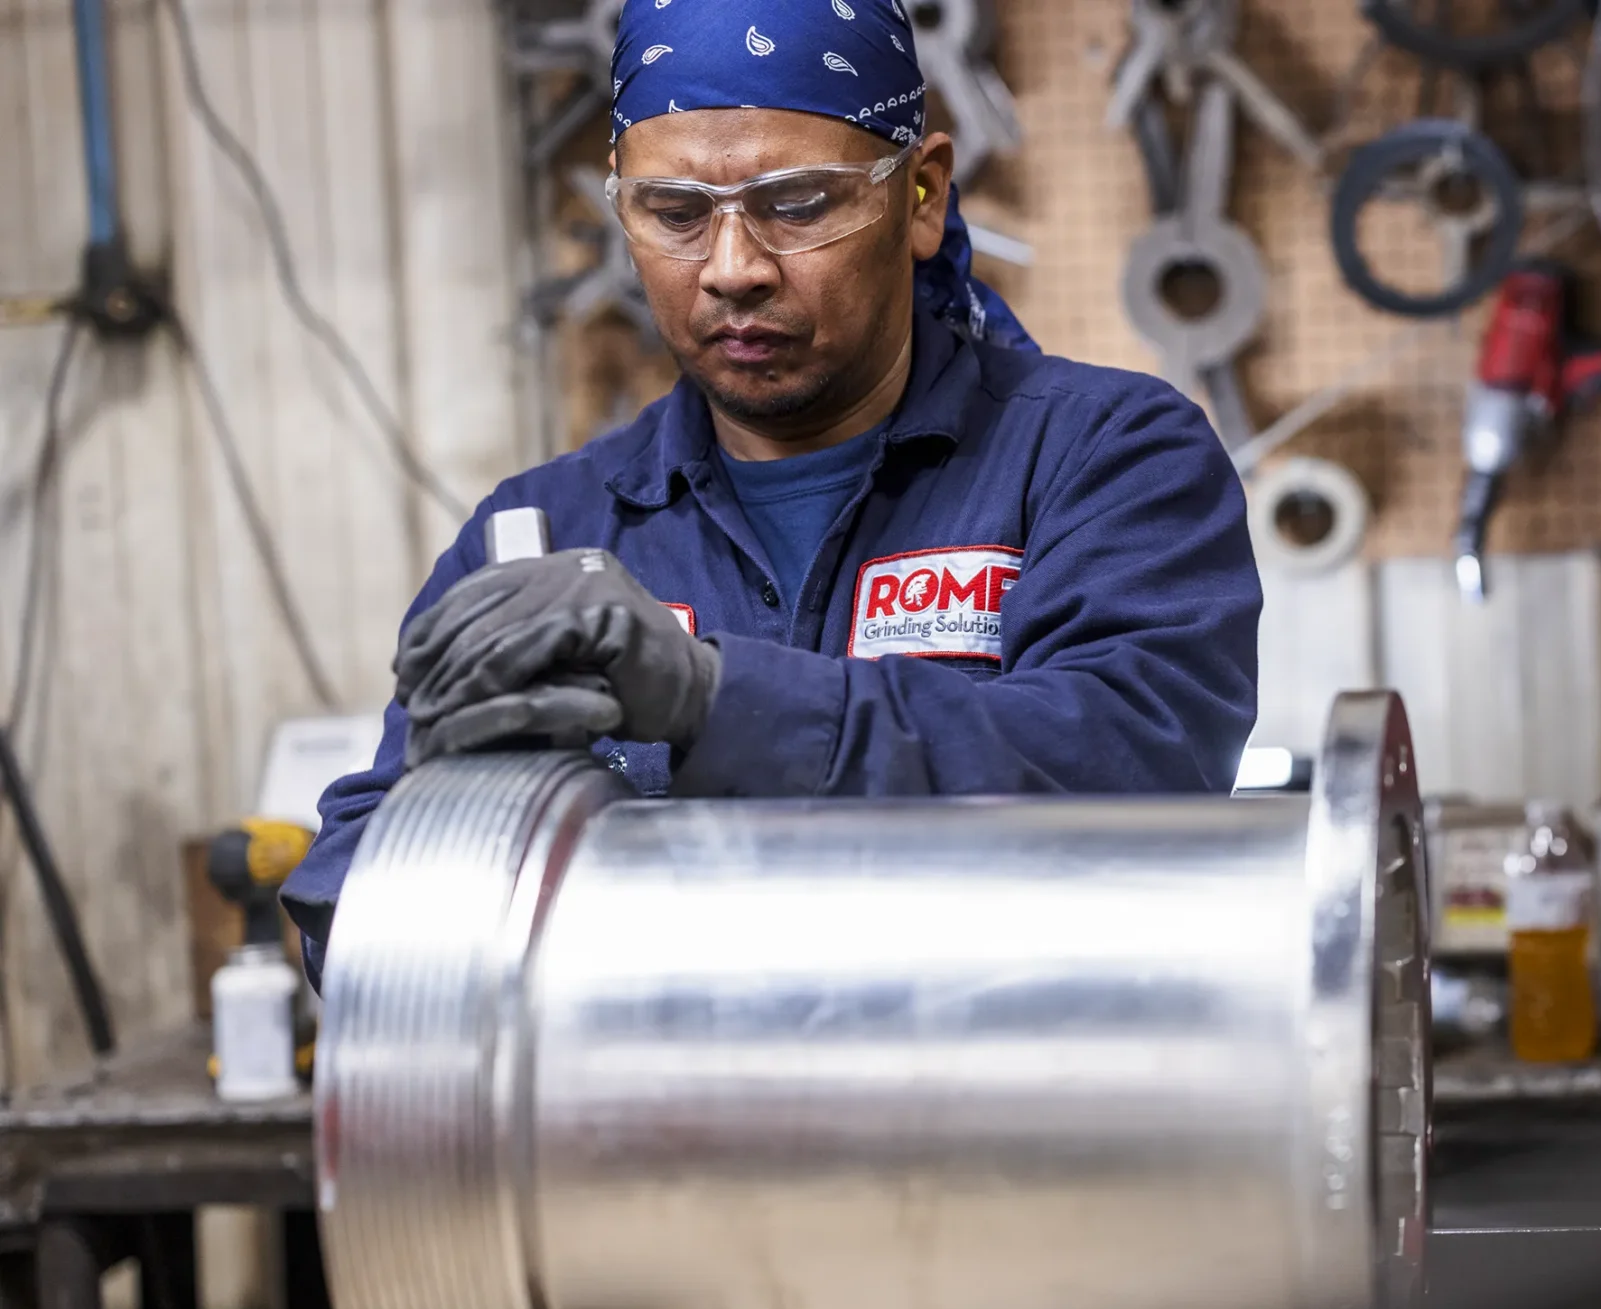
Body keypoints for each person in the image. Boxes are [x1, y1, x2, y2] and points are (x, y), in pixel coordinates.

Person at [280, 0, 1261, 974]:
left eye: (797, 205)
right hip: (655, 1118)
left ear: (919, 198)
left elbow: (1136, 777)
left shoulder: (1102, 460)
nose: (733, 269)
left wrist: (714, 701)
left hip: (997, 1115)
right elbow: (354, 892)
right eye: (674, 213)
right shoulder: (549, 535)